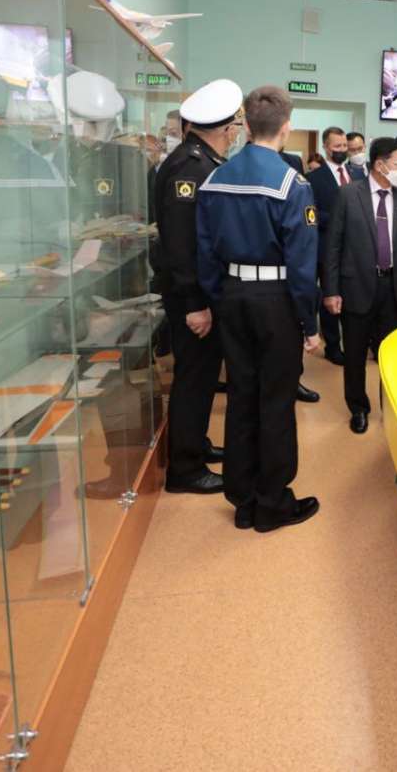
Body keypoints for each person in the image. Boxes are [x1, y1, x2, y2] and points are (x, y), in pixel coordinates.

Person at [196, 85, 322, 533]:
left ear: (246, 125)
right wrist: (309, 323)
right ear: (286, 127)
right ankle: (273, 504)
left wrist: (218, 298)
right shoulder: (292, 184)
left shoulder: (215, 179)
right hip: (277, 300)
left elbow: (204, 251)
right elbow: (302, 265)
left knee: (242, 398)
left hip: (231, 297)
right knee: (276, 401)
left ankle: (243, 499)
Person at [148, 80, 236, 496]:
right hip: (191, 297)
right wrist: (196, 304)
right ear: (225, 129)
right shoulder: (191, 168)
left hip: (195, 293)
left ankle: (195, 444)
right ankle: (185, 469)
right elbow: (182, 246)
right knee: (194, 379)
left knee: (199, 377)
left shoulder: (195, 160)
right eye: (234, 129)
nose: (235, 135)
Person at [322, 137, 397, 433]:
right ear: (379, 164)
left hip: (396, 289)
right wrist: (331, 289)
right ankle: (358, 408)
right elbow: (332, 246)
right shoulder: (348, 195)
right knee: (354, 355)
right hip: (357, 288)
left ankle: (390, 408)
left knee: (392, 355)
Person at [305, 127, 366, 365]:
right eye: (337, 146)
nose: (342, 150)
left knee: (351, 296)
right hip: (325, 248)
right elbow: (311, 214)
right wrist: (341, 219)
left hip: (354, 248)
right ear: (326, 147)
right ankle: (332, 346)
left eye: (344, 146)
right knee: (329, 296)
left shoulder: (357, 174)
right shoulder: (313, 178)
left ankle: (355, 342)